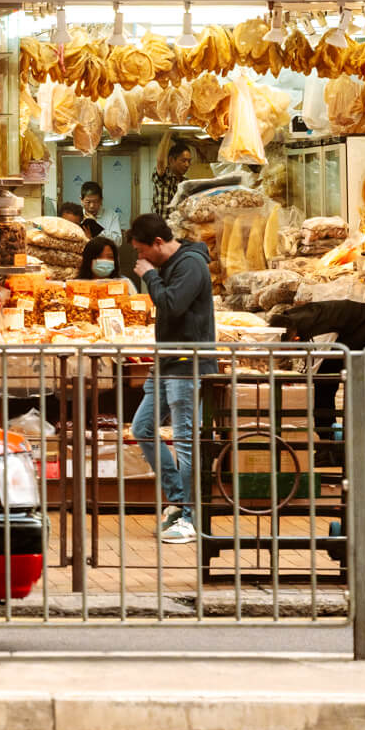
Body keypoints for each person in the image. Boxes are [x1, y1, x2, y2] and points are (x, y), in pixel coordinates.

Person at [129, 213, 218, 545]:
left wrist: (151, 277)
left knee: (185, 439)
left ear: (157, 243)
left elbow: (172, 304)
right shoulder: (171, 266)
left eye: (141, 251)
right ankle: (178, 500)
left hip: (187, 364)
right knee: (142, 427)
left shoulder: (190, 264)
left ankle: (191, 517)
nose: (139, 258)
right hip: (166, 363)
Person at [269, 299, 365, 449]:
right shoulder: (286, 322)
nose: (282, 355)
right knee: (324, 388)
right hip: (346, 335)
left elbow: (308, 376)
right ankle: (328, 443)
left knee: (364, 392)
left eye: (284, 351)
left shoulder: (317, 334)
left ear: (295, 340)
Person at [154, 139, 195, 217]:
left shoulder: (186, 183)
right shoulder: (164, 178)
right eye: (183, 161)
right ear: (171, 160)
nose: (187, 165)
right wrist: (168, 130)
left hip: (180, 227)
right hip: (163, 227)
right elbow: (160, 161)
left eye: (189, 161)